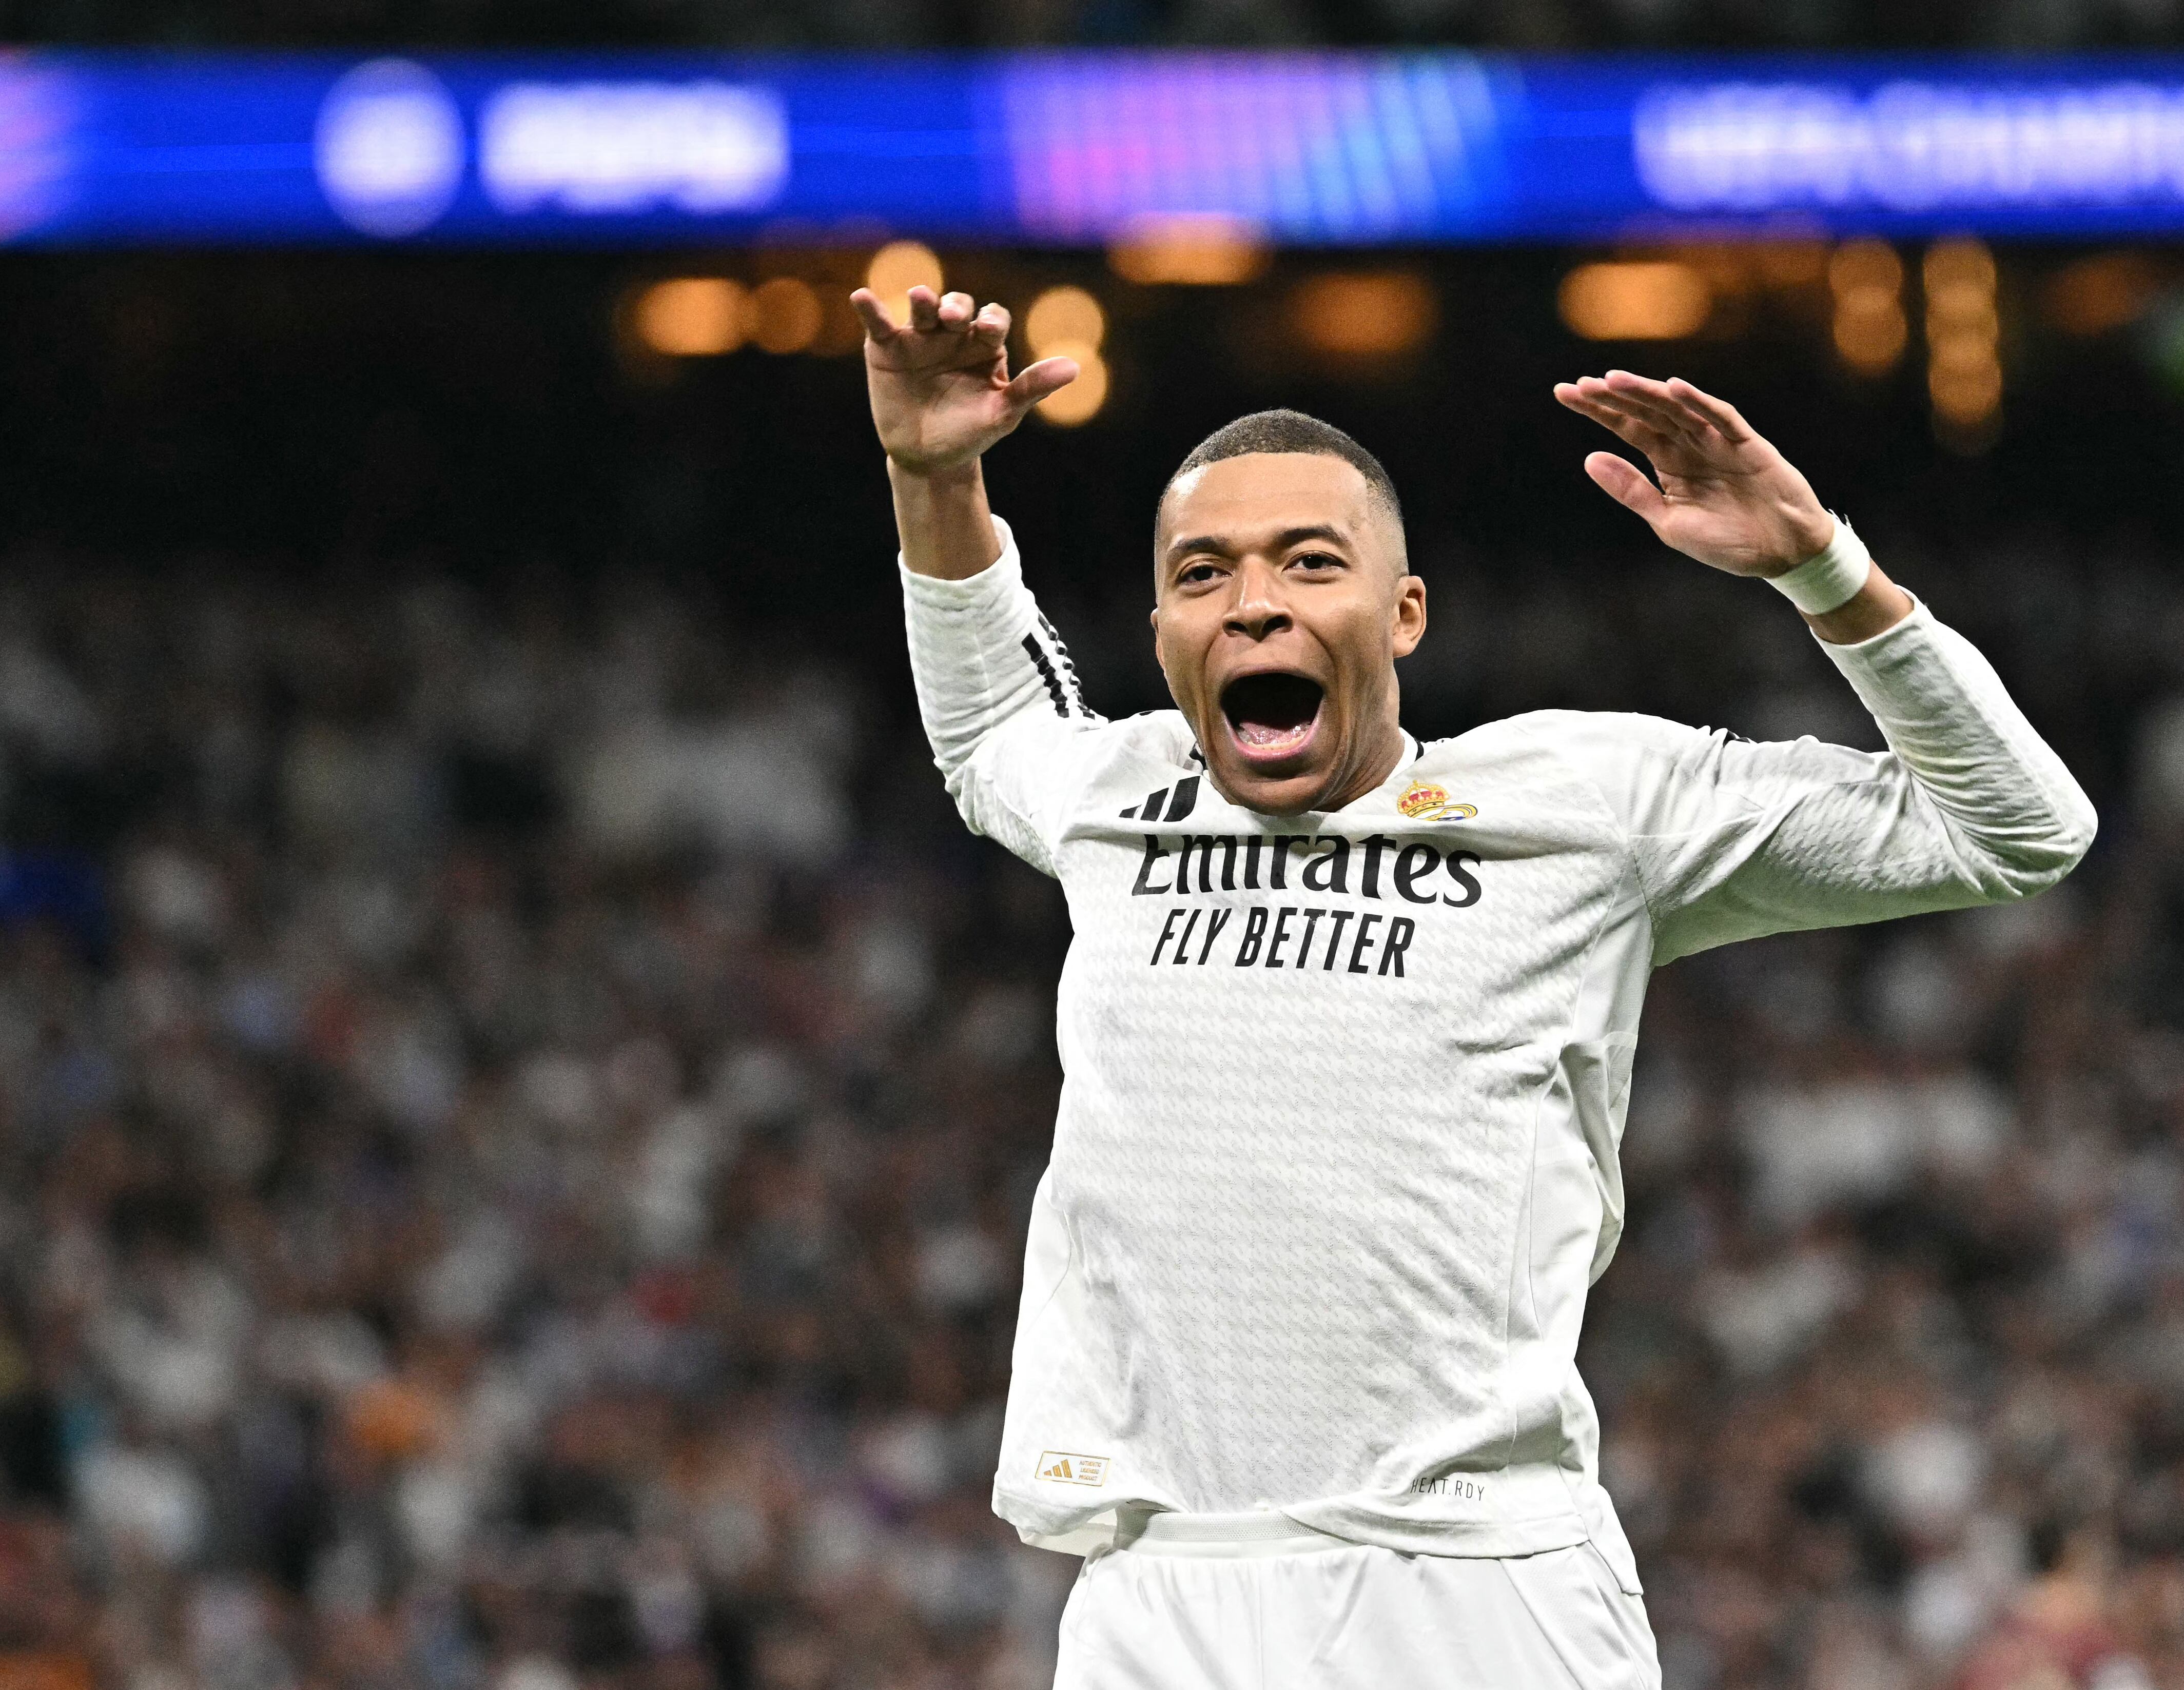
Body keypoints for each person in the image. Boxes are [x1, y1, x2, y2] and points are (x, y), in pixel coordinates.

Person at [850, 281, 2098, 1688]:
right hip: (1160, 1587)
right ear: (1161, 635)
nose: (1253, 602)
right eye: (1204, 574)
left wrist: (1824, 570)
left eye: (1309, 563)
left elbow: (2017, 828)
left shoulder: (1589, 800)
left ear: (1406, 615)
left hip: (1471, 1588)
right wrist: (935, 475)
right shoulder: (1119, 797)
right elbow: (992, 729)